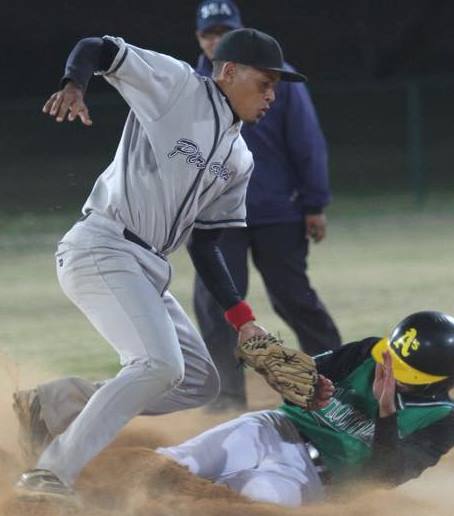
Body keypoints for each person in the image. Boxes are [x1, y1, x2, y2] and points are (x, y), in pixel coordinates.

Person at [14, 28, 307, 502]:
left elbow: (206, 244)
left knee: (197, 381)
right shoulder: (178, 87)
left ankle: (54, 403)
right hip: (102, 245)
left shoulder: (239, 158)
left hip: (146, 267)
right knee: (156, 363)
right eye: (266, 82)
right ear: (229, 72)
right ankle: (49, 474)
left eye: (276, 86)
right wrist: (75, 84)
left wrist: (242, 319)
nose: (273, 95)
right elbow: (97, 49)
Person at [15, 311, 454, 506]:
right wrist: (295, 376)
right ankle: (53, 489)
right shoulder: (367, 352)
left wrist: (385, 413)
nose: (387, 368)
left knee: (246, 506)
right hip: (270, 429)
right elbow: (298, 379)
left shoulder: (441, 421)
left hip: (310, 480)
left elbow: (382, 476)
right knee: (167, 465)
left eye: (403, 369)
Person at [192, 0, 342, 411]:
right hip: (218, 217)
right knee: (217, 303)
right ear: (199, 39)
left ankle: (341, 377)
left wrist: (315, 203)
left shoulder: (277, 78)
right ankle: (224, 400)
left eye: (224, 33)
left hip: (277, 211)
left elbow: (306, 141)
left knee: (294, 298)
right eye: (208, 34)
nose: (216, 42)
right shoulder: (191, 84)